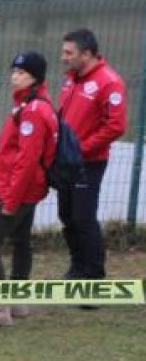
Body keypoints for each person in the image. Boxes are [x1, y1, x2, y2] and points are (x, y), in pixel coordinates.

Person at [0, 52, 58, 329]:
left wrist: (10, 199)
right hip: (27, 190)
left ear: (35, 78)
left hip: (20, 191)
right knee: (21, 241)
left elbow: (27, 161)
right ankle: (17, 299)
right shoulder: (31, 104)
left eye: (22, 73)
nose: (14, 77)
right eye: (14, 71)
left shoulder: (32, 110)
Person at [56, 28, 126, 281]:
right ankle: (77, 269)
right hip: (66, 161)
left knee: (83, 218)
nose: (63, 57)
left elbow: (115, 126)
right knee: (67, 216)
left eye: (68, 52)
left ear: (86, 54)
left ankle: (94, 278)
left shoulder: (110, 82)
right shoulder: (71, 78)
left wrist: (81, 149)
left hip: (89, 163)